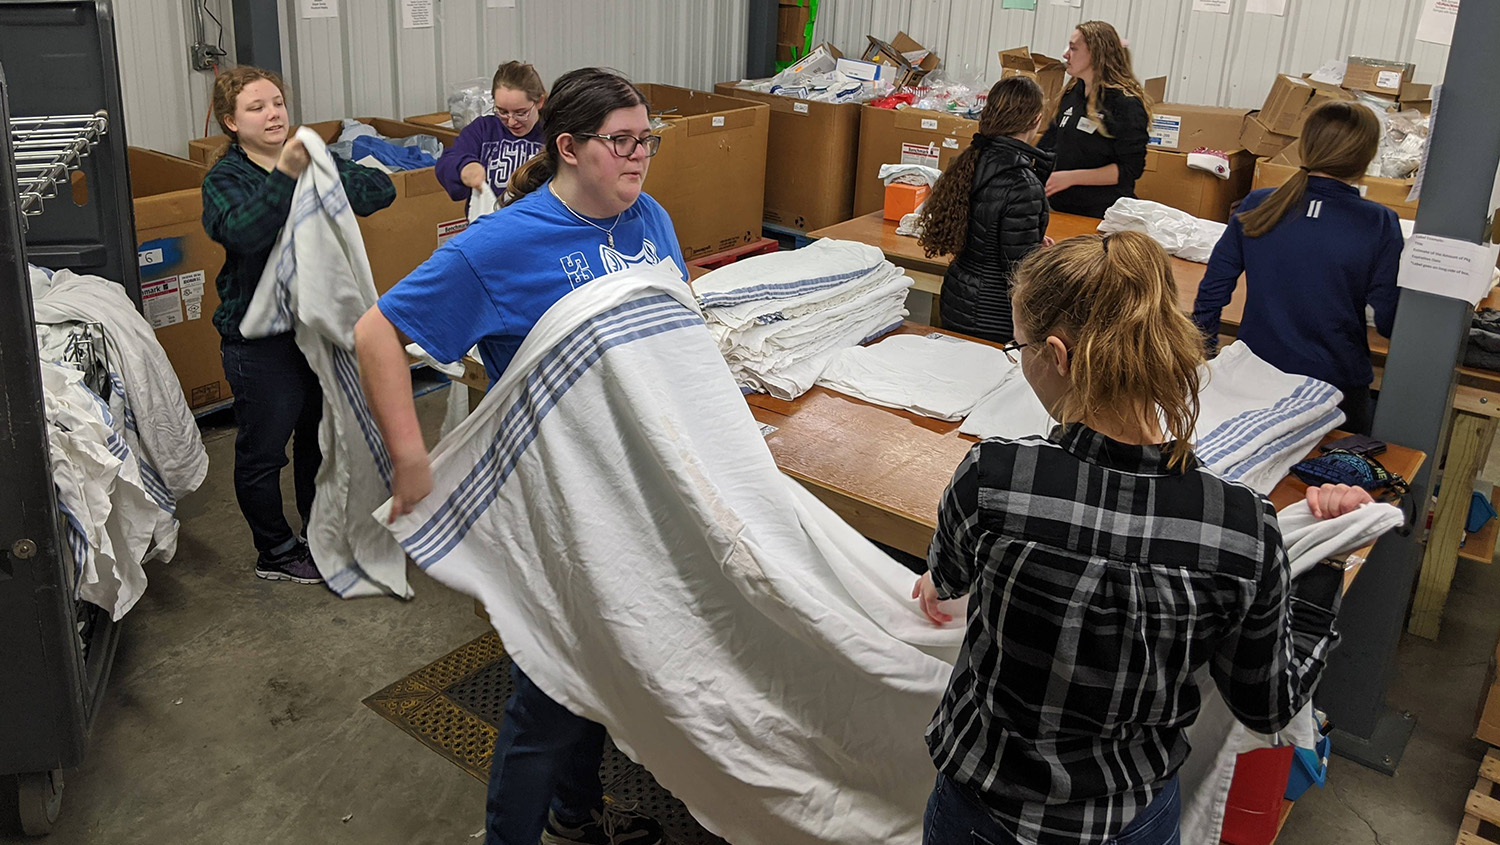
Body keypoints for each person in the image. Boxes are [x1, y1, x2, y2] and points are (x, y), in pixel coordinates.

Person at [912, 232, 1374, 845]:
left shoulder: (994, 479)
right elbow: (1268, 704)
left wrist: (937, 580)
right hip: (1126, 814)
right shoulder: (1239, 526)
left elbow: (947, 578)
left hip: (983, 802)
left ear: (1057, 354)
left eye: (1017, 345)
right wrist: (1325, 558)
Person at [354, 67, 683, 845]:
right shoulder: (501, 244)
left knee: (597, 668)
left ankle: (575, 814)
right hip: (557, 499)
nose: (639, 157)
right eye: (622, 142)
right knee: (547, 691)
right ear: (568, 147)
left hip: (634, 488)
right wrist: (410, 455)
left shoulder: (650, 220)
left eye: (649, 141)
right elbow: (376, 332)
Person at [202, 66, 395, 585]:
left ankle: (319, 528)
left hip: (316, 330)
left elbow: (381, 192)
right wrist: (287, 175)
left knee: (317, 436)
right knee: (265, 451)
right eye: (257, 107)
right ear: (230, 122)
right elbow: (243, 233)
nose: (273, 114)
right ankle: (275, 550)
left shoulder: (314, 156)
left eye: (278, 104)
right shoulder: (225, 180)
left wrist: (323, 168)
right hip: (259, 340)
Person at [1193, 101, 1400, 435]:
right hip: (1334, 390)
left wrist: (1205, 360)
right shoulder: (1378, 222)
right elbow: (1390, 320)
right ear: (1367, 156)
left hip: (1254, 379)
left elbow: (1212, 292)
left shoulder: (1258, 205)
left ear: (1305, 146)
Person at [918, 75, 1055, 343]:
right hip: (996, 316)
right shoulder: (1022, 183)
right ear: (1036, 119)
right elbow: (1020, 269)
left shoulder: (969, 160)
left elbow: (984, 234)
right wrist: (1043, 257)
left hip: (957, 300)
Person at [1037, 21, 1150, 218]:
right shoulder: (1072, 92)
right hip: (1060, 206)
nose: (1066, 54)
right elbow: (1050, 143)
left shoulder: (1125, 103)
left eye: (1073, 48)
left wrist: (1072, 178)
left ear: (1096, 54)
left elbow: (1130, 169)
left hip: (1101, 212)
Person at [435, 60, 547, 209]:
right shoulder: (483, 129)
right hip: (491, 225)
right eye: (503, 112)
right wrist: (465, 167)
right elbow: (449, 159)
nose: (512, 122)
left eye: (521, 113)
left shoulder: (552, 134)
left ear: (539, 102)